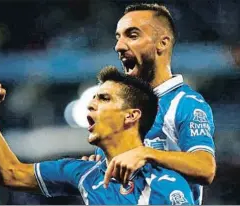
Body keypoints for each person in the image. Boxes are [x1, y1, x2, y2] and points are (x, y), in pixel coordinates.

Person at [0, 66, 194, 205]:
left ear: (131, 116)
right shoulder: (84, 173)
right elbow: (9, 173)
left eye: (104, 99)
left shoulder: (167, 183)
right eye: (93, 98)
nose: (90, 105)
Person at [83, 3, 216, 204]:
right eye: (118, 37)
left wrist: (146, 153)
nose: (119, 46)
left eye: (132, 35)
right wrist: (97, 170)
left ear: (162, 43)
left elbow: (206, 168)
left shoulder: (186, 104)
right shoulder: (114, 109)